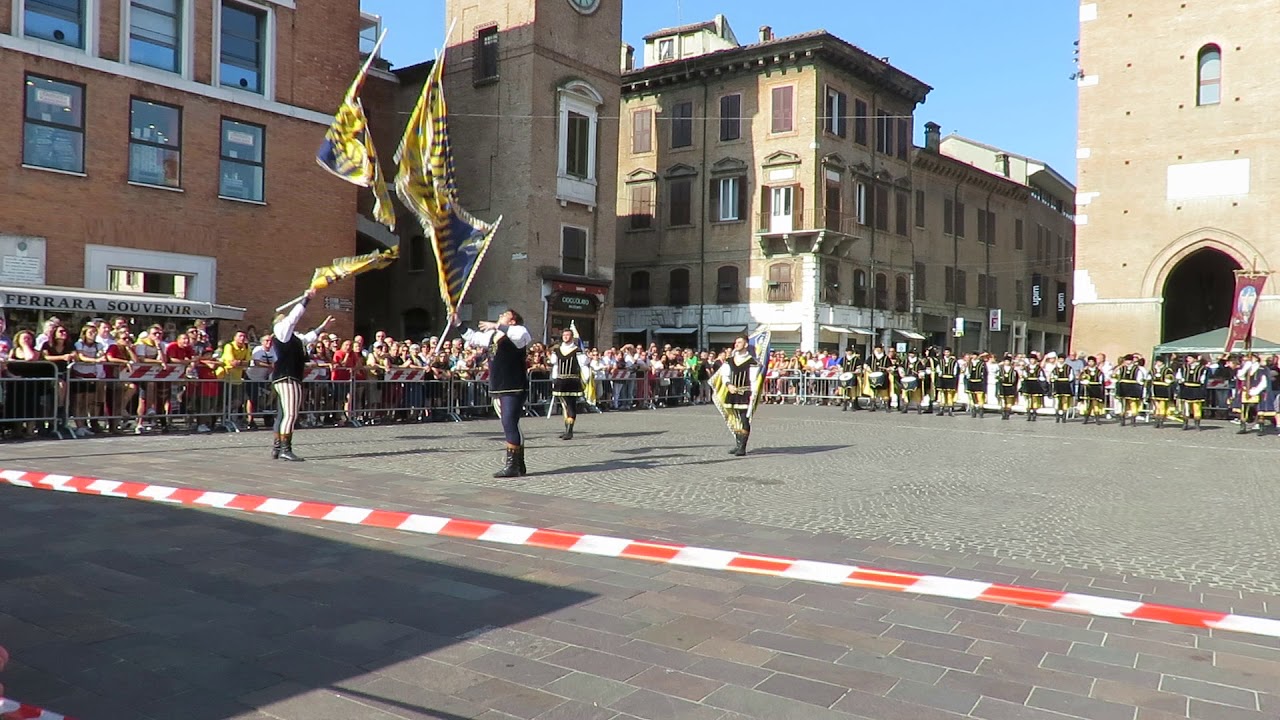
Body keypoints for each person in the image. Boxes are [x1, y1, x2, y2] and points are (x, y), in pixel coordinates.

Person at [464, 308, 532, 477]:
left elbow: (521, 336)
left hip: (513, 384)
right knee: (510, 423)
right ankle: (518, 464)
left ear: (512, 320)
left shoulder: (518, 331)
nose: (501, 315)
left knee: (509, 422)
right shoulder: (492, 336)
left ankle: (512, 466)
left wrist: (497, 325)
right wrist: (457, 323)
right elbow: (473, 337)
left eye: (505, 314)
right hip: (498, 385)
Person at [270, 289, 334, 461]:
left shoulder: (293, 338)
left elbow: (308, 338)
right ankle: (285, 448)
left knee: (283, 414)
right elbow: (293, 318)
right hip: (287, 377)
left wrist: (322, 328)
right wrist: (306, 299)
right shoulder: (281, 331)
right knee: (290, 414)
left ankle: (277, 448)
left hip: (289, 377)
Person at [716, 334, 760, 456]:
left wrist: (754, 395)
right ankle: (738, 444)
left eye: (739, 342)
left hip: (745, 393)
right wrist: (728, 384)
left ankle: (743, 447)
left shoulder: (752, 361)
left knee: (744, 419)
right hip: (732, 393)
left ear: (746, 344)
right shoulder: (730, 360)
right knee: (734, 419)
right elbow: (725, 375)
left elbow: (754, 380)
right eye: (736, 342)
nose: (736, 344)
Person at [550, 328, 588, 440]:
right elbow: (555, 365)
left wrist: (585, 380)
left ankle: (570, 431)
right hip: (561, 381)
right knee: (564, 405)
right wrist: (554, 378)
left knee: (570, 405)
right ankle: (567, 429)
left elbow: (583, 365)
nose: (566, 337)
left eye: (568, 335)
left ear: (572, 337)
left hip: (572, 381)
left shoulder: (577, 351)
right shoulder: (557, 350)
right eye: (564, 335)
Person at [1176, 354, 1208, 431]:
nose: (1188, 360)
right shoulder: (1183, 367)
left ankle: (1197, 424)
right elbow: (1179, 377)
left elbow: (1203, 380)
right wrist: (1181, 382)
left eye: (1190, 358)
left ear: (1195, 359)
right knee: (1186, 407)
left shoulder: (1202, 368)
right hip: (1186, 388)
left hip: (1196, 389)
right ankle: (1185, 423)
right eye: (1188, 358)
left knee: (1196, 407)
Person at [1148, 357, 1176, 428]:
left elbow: (1170, 380)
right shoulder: (1152, 370)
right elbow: (1149, 379)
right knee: (1156, 406)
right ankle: (1156, 421)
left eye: (1159, 362)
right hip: (1155, 389)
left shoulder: (1167, 370)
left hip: (1164, 389)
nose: (1157, 363)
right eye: (1157, 362)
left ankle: (1161, 421)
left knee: (1162, 405)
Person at [934, 347, 959, 417]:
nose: (947, 353)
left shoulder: (954, 361)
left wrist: (954, 375)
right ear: (944, 353)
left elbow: (955, 370)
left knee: (949, 395)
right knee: (942, 395)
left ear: (950, 353)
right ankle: (941, 410)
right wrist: (939, 372)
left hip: (950, 379)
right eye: (945, 352)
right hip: (942, 378)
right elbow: (938, 368)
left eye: (948, 352)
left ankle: (950, 410)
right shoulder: (940, 360)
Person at [837, 347, 861, 412]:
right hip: (845, 377)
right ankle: (845, 406)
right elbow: (839, 366)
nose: (848, 352)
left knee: (853, 391)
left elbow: (859, 368)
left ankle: (853, 406)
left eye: (850, 351)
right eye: (847, 351)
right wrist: (841, 370)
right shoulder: (843, 359)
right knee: (845, 391)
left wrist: (855, 371)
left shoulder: (856, 359)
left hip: (853, 376)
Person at [965, 352, 989, 418]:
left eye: (975, 355)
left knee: (980, 397)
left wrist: (984, 382)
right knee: (971, 397)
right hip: (971, 382)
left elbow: (985, 374)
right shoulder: (969, 364)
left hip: (979, 382)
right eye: (973, 355)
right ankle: (973, 410)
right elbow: (966, 373)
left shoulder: (982, 364)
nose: (974, 356)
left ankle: (981, 410)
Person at [996, 354, 1019, 420]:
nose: (1007, 362)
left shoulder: (1014, 370)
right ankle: (1003, 413)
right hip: (1002, 386)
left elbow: (1016, 380)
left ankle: (1007, 413)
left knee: (1009, 401)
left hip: (1010, 387)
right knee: (1003, 401)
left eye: (1008, 361)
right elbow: (997, 377)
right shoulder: (1000, 370)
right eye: (1005, 361)